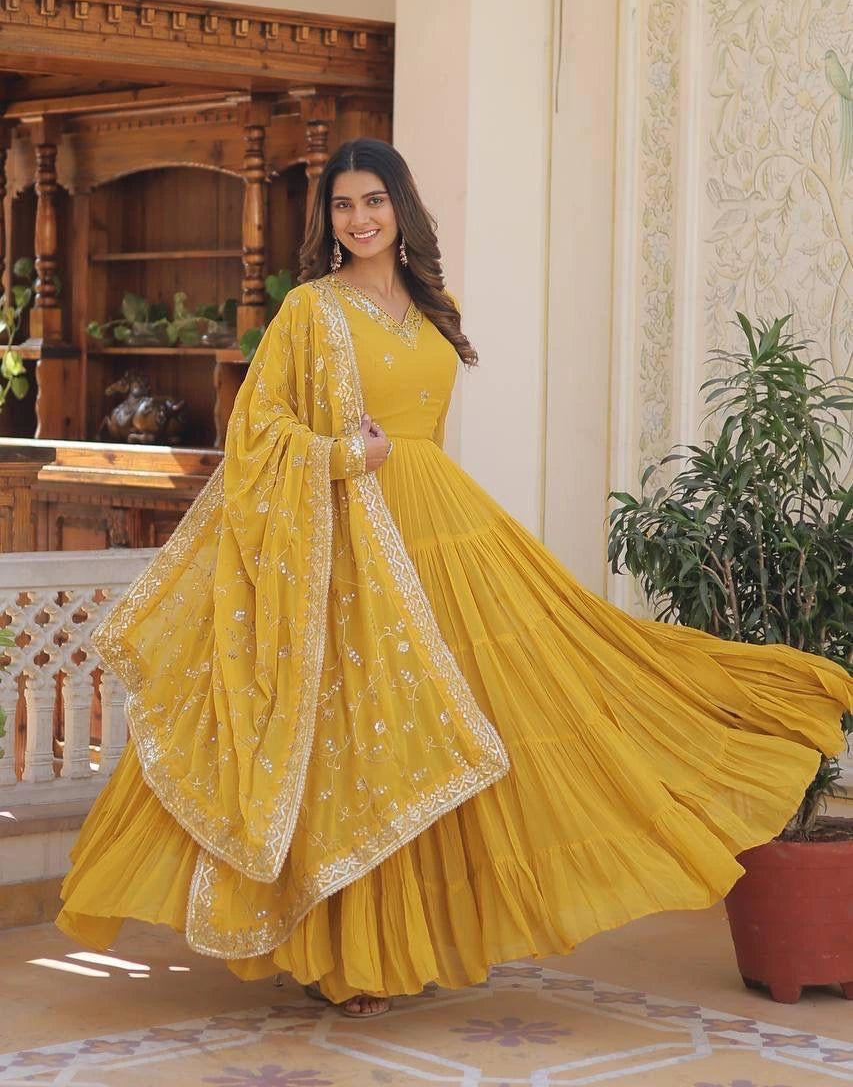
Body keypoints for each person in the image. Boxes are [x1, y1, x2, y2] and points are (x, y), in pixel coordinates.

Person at [58, 138, 853, 1019]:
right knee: (364, 737)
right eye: (343, 206)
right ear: (327, 220)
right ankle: (347, 956)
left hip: (443, 524)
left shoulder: (435, 307)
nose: (359, 219)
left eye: (374, 201)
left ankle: (422, 935)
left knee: (496, 705)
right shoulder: (309, 311)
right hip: (350, 536)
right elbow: (256, 432)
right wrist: (336, 453)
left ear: (402, 208)